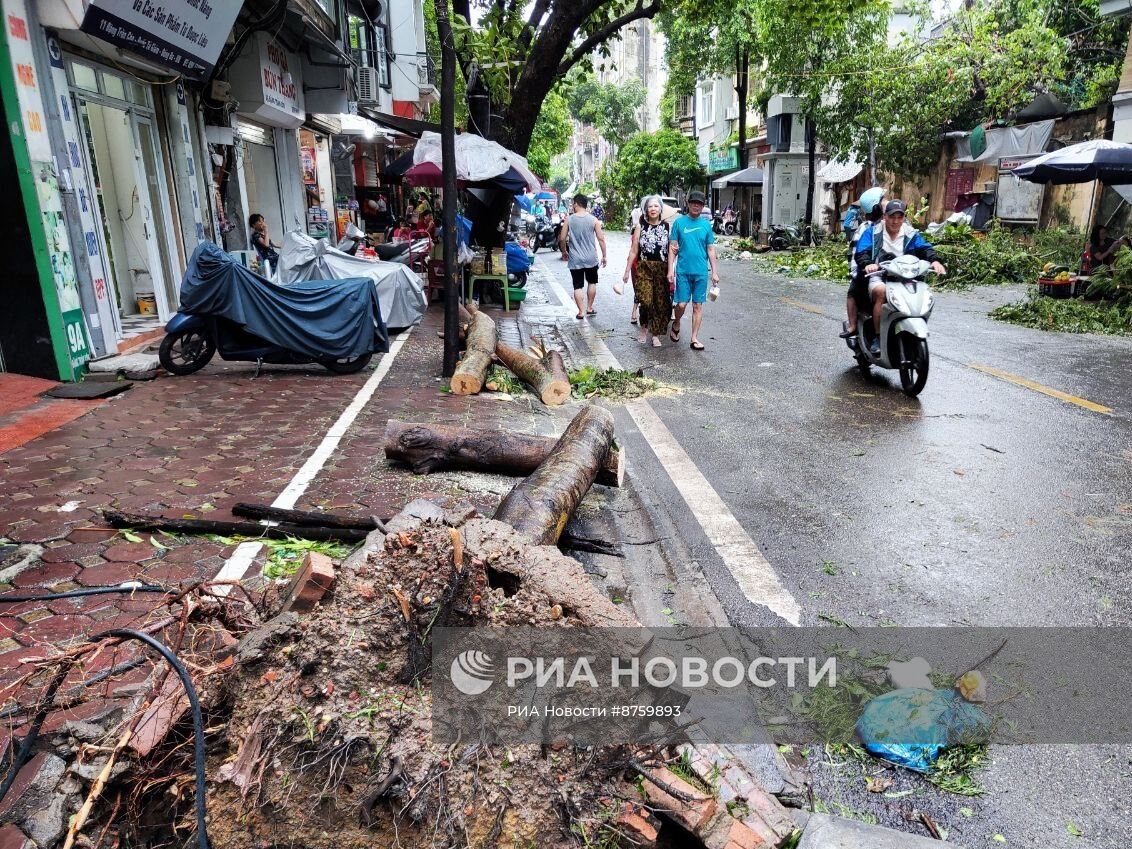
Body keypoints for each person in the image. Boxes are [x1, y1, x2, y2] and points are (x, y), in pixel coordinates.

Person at [855, 200, 946, 355]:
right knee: (881, 292)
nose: (895, 221)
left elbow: (925, 248)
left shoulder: (910, 233)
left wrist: (935, 261)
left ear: (904, 217)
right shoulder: (873, 232)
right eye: (892, 217)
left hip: (905, 276)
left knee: (921, 293)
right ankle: (877, 336)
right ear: (884, 216)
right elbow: (862, 251)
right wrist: (868, 263)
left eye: (899, 217)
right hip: (879, 276)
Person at [667, 190, 719, 351]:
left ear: (703, 206)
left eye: (700, 204)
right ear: (688, 204)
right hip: (682, 271)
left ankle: (694, 338)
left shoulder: (705, 225)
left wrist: (714, 272)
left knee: (698, 306)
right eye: (693, 203)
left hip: (701, 272)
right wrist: (670, 270)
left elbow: (710, 249)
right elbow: (672, 248)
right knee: (681, 304)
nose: (696, 206)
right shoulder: (679, 223)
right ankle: (676, 322)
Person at [623, 195, 672, 347]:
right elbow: (633, 251)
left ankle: (655, 334)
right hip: (644, 267)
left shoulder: (666, 227)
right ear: (645, 209)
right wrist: (626, 271)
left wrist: (671, 270)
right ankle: (644, 327)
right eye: (650, 206)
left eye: (656, 206)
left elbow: (671, 250)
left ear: (660, 209)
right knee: (645, 300)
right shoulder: (640, 227)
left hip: (661, 268)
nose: (653, 209)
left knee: (659, 302)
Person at [841, 187, 886, 339]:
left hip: (884, 269)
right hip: (864, 269)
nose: (886, 202)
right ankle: (853, 325)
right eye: (882, 201)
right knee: (853, 291)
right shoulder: (865, 228)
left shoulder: (888, 224)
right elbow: (859, 254)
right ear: (876, 207)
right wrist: (865, 265)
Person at [560, 194, 608, 320]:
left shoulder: (569, 219)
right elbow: (601, 239)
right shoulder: (594, 220)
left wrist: (564, 252)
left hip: (575, 258)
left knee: (577, 285)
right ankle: (589, 308)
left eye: (572, 203)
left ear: (576, 203)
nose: (572, 205)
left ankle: (581, 311)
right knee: (592, 282)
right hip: (591, 258)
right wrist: (604, 256)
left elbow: (561, 238)